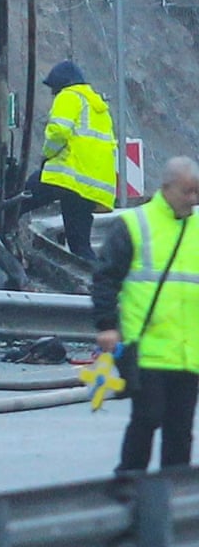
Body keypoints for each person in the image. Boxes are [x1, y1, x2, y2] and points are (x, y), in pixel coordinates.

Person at [93, 156, 199, 473]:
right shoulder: (135, 225)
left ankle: (173, 501)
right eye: (187, 192)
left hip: (188, 352)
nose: (193, 200)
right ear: (165, 188)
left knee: (180, 432)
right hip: (146, 349)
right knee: (147, 419)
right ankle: (130, 483)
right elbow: (105, 277)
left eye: (197, 192)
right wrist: (107, 325)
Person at [24, 60, 117, 261]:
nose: (53, 94)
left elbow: (58, 131)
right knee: (80, 246)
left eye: (54, 89)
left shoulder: (69, 96)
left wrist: (47, 155)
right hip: (88, 186)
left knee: (17, 200)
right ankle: (96, 282)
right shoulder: (98, 108)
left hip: (66, 175)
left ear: (62, 84)